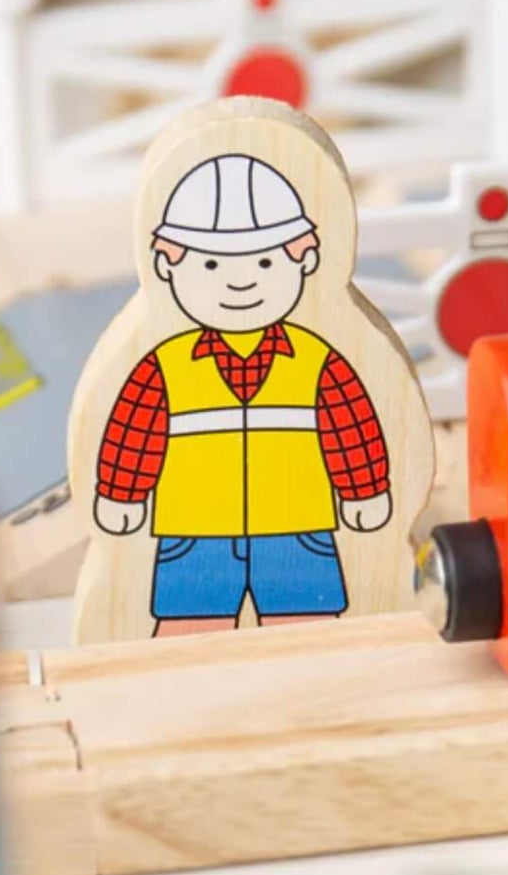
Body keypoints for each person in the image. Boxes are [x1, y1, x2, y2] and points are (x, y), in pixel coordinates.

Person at [92, 153, 392, 635]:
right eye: (210, 263)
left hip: (296, 527)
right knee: (189, 630)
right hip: (195, 532)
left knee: (308, 628)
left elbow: (348, 425)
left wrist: (365, 489)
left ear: (305, 260)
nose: (240, 279)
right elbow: (136, 431)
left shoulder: (318, 360)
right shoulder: (163, 367)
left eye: (267, 260)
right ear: (168, 267)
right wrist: (122, 495)